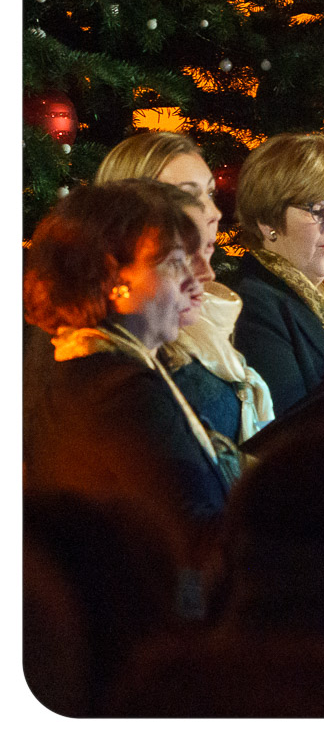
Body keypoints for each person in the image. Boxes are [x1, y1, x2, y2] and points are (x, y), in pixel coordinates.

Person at [23, 180, 234, 526]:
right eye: (175, 263)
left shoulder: (101, 371)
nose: (196, 279)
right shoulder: (120, 392)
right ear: (111, 278)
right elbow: (194, 533)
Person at [95, 131, 274, 440]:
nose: (214, 213)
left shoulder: (209, 315)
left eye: (210, 194)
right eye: (189, 196)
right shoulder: (134, 341)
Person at [231, 132, 324, 412]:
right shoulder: (253, 305)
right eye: (320, 208)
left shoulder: (318, 299)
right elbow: (291, 426)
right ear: (267, 221)